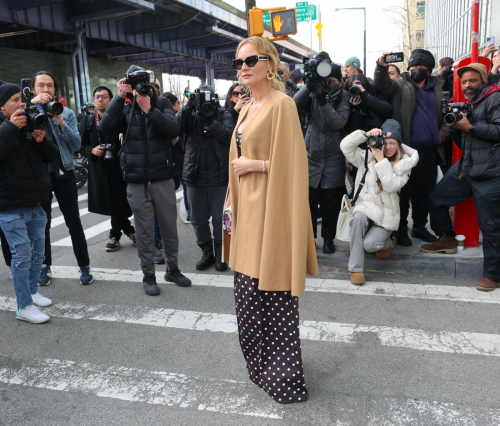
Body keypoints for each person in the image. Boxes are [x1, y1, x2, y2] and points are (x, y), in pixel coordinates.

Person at [225, 36, 318, 404]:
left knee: (273, 294)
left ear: (269, 63)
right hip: (245, 210)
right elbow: (236, 153)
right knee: (247, 296)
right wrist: (231, 196)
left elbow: (294, 165)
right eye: (238, 62)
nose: (243, 67)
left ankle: (284, 379)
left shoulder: (283, 106)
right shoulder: (246, 106)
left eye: (250, 60)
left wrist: (256, 165)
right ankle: (259, 369)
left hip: (271, 210)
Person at [100, 65, 191, 296]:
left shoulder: (160, 104)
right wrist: (119, 99)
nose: (140, 86)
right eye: (134, 81)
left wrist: (149, 109)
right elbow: (105, 128)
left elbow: (172, 129)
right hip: (136, 180)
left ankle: (173, 269)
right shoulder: (124, 107)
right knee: (144, 231)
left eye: (143, 81)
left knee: (170, 228)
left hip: (162, 178)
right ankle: (148, 275)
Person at [421, 63, 500, 292]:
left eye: (473, 81)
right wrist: (456, 126)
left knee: (491, 226)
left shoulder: (495, 98)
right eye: (464, 82)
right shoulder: (468, 103)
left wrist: (471, 126)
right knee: (436, 198)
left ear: (483, 82)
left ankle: (492, 275)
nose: (468, 85)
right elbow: (462, 141)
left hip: (490, 174)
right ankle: (446, 237)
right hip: (467, 168)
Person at [374, 49, 449, 247]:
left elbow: (446, 119)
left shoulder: (439, 88)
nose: (416, 71)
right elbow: (382, 85)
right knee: (404, 191)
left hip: (430, 150)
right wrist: (381, 66)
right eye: (413, 67)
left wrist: (440, 137)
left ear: (429, 70)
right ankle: (401, 229)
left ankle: (420, 226)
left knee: (424, 192)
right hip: (406, 150)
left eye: (421, 67)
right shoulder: (400, 85)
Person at [0, 81, 59, 323]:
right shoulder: (8, 127)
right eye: (14, 99)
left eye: (20, 99)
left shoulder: (30, 121)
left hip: (37, 201)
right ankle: (23, 306)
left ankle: (33, 293)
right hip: (10, 206)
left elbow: (51, 156)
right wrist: (11, 129)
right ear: (2, 106)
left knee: (38, 254)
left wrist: (41, 140)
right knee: (22, 255)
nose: (20, 104)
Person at [31, 71, 94, 286]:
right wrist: (31, 105)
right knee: (43, 224)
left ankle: (84, 265)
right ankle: (44, 266)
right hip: (40, 175)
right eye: (41, 86)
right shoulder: (27, 111)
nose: (46, 90)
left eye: (49, 85)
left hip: (65, 172)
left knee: (73, 222)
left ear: (55, 89)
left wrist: (61, 123)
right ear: (34, 89)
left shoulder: (65, 112)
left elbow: (76, 145)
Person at [341, 120, 419, 285]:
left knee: (369, 245)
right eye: (386, 142)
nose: (389, 147)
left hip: (386, 216)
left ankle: (386, 242)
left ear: (399, 145)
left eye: (393, 143)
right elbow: (345, 146)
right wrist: (366, 134)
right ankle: (356, 269)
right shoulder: (366, 157)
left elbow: (391, 185)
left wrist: (381, 159)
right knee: (358, 219)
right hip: (366, 208)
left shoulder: (404, 164)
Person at [294, 53, 351, 254]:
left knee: (330, 205)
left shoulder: (344, 96)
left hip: (334, 158)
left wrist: (323, 101)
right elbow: (292, 106)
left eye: (334, 81)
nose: (329, 84)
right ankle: (309, 240)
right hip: (311, 157)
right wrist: (310, 86)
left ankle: (328, 239)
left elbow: (339, 122)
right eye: (327, 81)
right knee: (308, 204)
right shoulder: (311, 92)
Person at [179, 84, 234, 271]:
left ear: (215, 98)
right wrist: (188, 107)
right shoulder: (191, 113)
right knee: (198, 220)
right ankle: (206, 252)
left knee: (220, 220)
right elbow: (177, 128)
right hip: (195, 177)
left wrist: (210, 121)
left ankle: (221, 254)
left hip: (220, 177)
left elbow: (229, 137)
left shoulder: (223, 113)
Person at [80, 86, 135, 252]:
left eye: (104, 96)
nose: (100, 99)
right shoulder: (88, 121)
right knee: (111, 203)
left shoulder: (121, 119)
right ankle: (126, 231)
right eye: (97, 96)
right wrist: (92, 151)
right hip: (99, 169)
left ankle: (115, 234)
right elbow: (80, 146)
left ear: (111, 100)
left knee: (118, 202)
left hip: (119, 167)